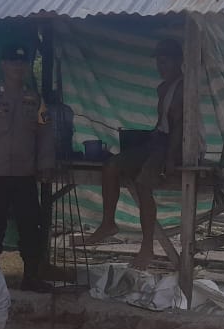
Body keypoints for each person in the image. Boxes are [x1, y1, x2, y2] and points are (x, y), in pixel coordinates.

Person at [80, 38, 187, 269]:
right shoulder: (163, 88)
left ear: (178, 61)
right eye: (159, 61)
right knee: (111, 166)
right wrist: (145, 140)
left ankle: (147, 247)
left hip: (177, 145)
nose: (160, 66)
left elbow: (179, 127)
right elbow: (163, 124)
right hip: (160, 141)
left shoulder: (183, 88)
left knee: (143, 183)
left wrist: (170, 158)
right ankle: (108, 223)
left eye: (165, 61)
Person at [0, 44, 55, 292]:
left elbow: (45, 133)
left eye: (22, 62)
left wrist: (45, 165)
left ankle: (31, 277)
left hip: (25, 175)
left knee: (30, 227)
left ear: (27, 66)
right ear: (3, 65)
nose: (18, 66)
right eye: (12, 62)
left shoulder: (35, 100)